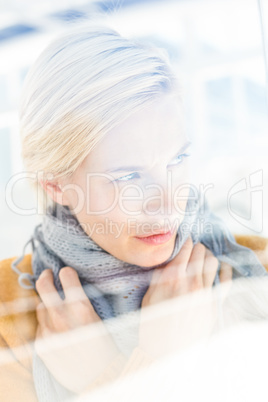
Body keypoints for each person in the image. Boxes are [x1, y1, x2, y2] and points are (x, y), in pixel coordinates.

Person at [1, 25, 268, 401]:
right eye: (128, 176)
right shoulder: (8, 315)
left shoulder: (256, 266)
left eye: (177, 159)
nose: (168, 201)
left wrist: (106, 377)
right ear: (54, 184)